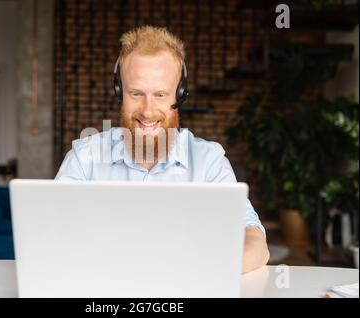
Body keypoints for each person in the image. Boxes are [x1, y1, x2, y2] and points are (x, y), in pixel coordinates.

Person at [55, 25, 269, 273]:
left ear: (179, 94)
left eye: (160, 94)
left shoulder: (209, 162)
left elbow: (255, 243)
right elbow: (54, 234)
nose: (147, 110)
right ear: (118, 92)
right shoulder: (85, 158)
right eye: (136, 93)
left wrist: (190, 272)